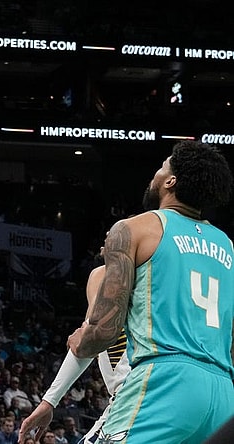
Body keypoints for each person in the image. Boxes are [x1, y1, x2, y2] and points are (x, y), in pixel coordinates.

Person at [68, 141, 234, 443]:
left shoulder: (135, 228)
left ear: (170, 182)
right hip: (223, 391)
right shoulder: (228, 246)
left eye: (162, 167)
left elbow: (105, 330)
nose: (156, 173)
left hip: (165, 381)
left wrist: (81, 341)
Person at [18, 263, 131, 444]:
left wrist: (50, 400)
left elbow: (85, 344)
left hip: (136, 396)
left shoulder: (105, 274)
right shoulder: (174, 274)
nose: (108, 239)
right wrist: (49, 401)